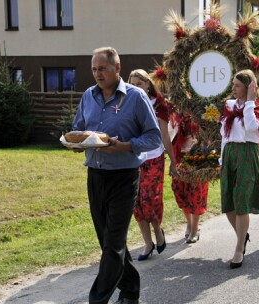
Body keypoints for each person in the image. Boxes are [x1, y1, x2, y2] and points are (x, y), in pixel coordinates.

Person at [72, 47, 162, 304]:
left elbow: (153, 137)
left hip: (124, 177)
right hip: (96, 176)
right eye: (94, 69)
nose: (97, 74)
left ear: (117, 68)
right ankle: (131, 290)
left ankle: (97, 300)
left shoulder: (135, 97)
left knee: (113, 244)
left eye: (102, 68)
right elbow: (78, 129)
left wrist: (126, 145)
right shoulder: (88, 96)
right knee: (108, 242)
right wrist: (77, 142)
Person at [127, 69, 178, 261]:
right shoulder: (127, 104)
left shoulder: (159, 106)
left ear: (148, 84)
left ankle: (158, 230)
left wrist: (173, 161)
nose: (135, 88)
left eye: (139, 84)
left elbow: (165, 136)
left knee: (150, 199)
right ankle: (147, 243)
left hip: (154, 157)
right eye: (132, 84)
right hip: (134, 157)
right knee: (136, 202)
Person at [219, 69, 259, 269]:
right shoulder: (229, 105)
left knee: (241, 200)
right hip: (229, 153)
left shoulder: (257, 106)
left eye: (237, 85)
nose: (233, 88)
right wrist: (222, 159)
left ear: (248, 88)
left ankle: (239, 248)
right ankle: (242, 235)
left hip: (247, 153)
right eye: (233, 84)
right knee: (228, 202)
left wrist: (249, 101)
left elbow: (251, 128)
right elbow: (223, 134)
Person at [170, 110, 209, 243]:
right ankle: (189, 222)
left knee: (196, 194)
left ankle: (195, 228)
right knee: (178, 191)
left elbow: (209, 133)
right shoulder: (174, 112)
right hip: (179, 157)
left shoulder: (202, 108)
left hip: (197, 157)